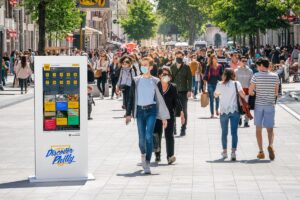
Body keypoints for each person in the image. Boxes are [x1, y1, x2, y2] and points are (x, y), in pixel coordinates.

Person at [125, 57, 170, 174]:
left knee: (149, 136)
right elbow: (130, 98)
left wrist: (164, 116)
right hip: (139, 111)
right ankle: (143, 155)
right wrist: (128, 114)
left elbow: (161, 99)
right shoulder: (136, 80)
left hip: (152, 110)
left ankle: (148, 162)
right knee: (141, 138)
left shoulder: (156, 81)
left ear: (150, 67)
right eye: (142, 65)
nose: (143, 67)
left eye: (146, 65)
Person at [249, 58, 279, 161]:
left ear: (261, 65)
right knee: (270, 128)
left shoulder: (256, 76)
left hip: (259, 105)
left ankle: (261, 151)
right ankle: (270, 145)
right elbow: (276, 92)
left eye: (258, 65)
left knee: (258, 129)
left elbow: (250, 91)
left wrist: (254, 93)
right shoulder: (275, 76)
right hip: (270, 105)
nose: (257, 67)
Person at [153, 68, 185, 164]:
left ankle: (170, 156)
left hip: (169, 114)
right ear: (159, 76)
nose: (164, 76)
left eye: (167, 74)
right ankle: (157, 154)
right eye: (163, 74)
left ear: (170, 77)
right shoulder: (155, 86)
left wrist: (181, 112)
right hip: (157, 114)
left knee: (169, 135)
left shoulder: (173, 87)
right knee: (156, 134)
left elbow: (176, 100)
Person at [215, 68, 245, 161]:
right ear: (233, 75)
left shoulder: (220, 84)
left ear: (224, 75)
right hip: (234, 110)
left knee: (224, 132)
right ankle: (233, 153)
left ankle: (224, 152)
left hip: (223, 111)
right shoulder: (236, 83)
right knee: (234, 132)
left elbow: (215, 95)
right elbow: (243, 95)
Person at [170, 50, 192, 136]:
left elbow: (189, 79)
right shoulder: (172, 67)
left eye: (180, 56)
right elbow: (169, 79)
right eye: (177, 56)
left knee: (184, 110)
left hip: (183, 91)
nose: (179, 57)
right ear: (175, 56)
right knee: (173, 111)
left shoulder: (186, 67)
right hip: (173, 92)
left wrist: (189, 90)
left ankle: (183, 128)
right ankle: (173, 127)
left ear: (183, 57)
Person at [235, 56, 253, 127]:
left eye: (245, 61)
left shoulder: (250, 71)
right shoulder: (236, 71)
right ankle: (239, 118)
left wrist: (251, 90)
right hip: (239, 90)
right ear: (240, 62)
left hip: (247, 90)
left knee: (246, 106)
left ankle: (246, 121)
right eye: (243, 61)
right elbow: (235, 81)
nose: (244, 62)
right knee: (239, 105)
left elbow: (252, 81)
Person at [204, 54, 223, 118]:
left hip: (218, 84)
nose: (215, 59)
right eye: (213, 58)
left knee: (217, 99)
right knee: (211, 99)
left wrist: (222, 81)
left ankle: (217, 110)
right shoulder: (208, 66)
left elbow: (222, 75)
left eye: (216, 58)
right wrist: (204, 85)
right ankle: (212, 113)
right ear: (211, 59)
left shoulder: (220, 66)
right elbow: (206, 75)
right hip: (210, 84)